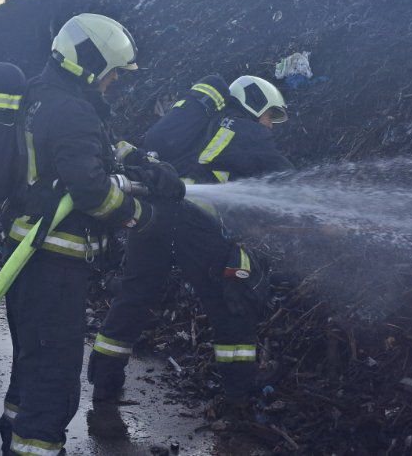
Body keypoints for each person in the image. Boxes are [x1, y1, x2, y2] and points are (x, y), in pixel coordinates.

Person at [0, 13, 183, 456]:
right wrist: (142, 215)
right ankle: (36, 450)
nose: (114, 81)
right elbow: (92, 191)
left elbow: (96, 150)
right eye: (112, 72)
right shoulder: (72, 109)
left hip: (27, 258)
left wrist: (145, 166)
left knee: (31, 366)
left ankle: (15, 444)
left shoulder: (45, 97)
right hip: (54, 264)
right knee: (54, 376)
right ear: (89, 64)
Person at [86, 74, 295, 421]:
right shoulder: (247, 130)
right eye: (270, 115)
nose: (270, 124)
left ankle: (105, 381)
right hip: (195, 223)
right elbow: (286, 179)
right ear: (255, 104)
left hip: (153, 213)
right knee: (230, 298)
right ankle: (239, 392)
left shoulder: (201, 125)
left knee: (135, 294)